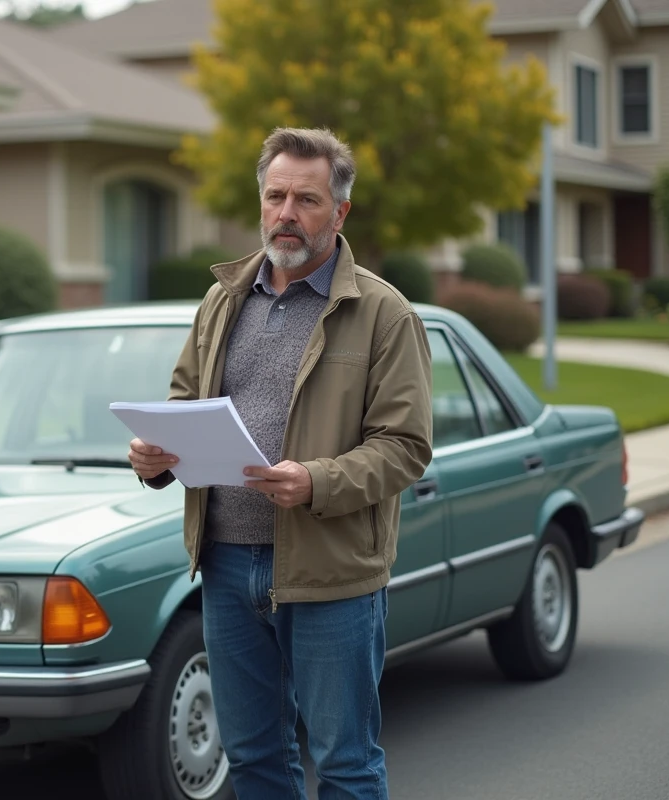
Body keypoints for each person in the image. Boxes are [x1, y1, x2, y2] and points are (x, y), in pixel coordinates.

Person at [127, 127, 433, 800]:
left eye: (307, 199)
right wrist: (154, 456)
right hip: (228, 565)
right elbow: (184, 402)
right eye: (275, 196)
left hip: (331, 570)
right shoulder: (223, 299)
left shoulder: (383, 313)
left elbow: (405, 446)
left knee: (345, 762)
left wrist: (315, 482)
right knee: (253, 758)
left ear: (339, 212)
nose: (286, 213)